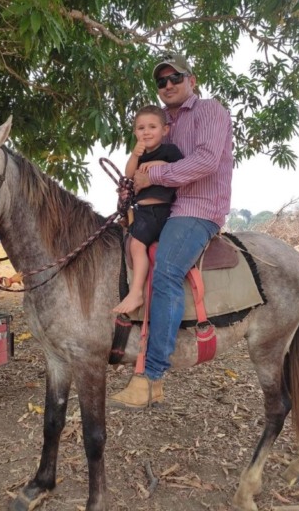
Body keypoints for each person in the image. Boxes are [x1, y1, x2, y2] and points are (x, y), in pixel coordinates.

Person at [108, 52, 234, 409]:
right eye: (161, 81)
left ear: (191, 80)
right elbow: (141, 169)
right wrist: (131, 186)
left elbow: (208, 160)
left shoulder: (210, 110)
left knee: (165, 270)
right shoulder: (162, 123)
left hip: (198, 208)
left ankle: (151, 375)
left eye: (174, 78)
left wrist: (155, 175)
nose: (167, 85)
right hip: (164, 208)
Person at [112, 105, 184, 315]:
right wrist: (135, 155)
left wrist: (161, 164)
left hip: (158, 211)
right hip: (142, 212)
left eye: (152, 127)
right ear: (135, 132)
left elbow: (181, 168)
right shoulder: (140, 155)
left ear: (165, 130)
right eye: (141, 128)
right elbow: (128, 174)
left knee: (136, 246)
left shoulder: (170, 151)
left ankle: (136, 292)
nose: (146, 132)